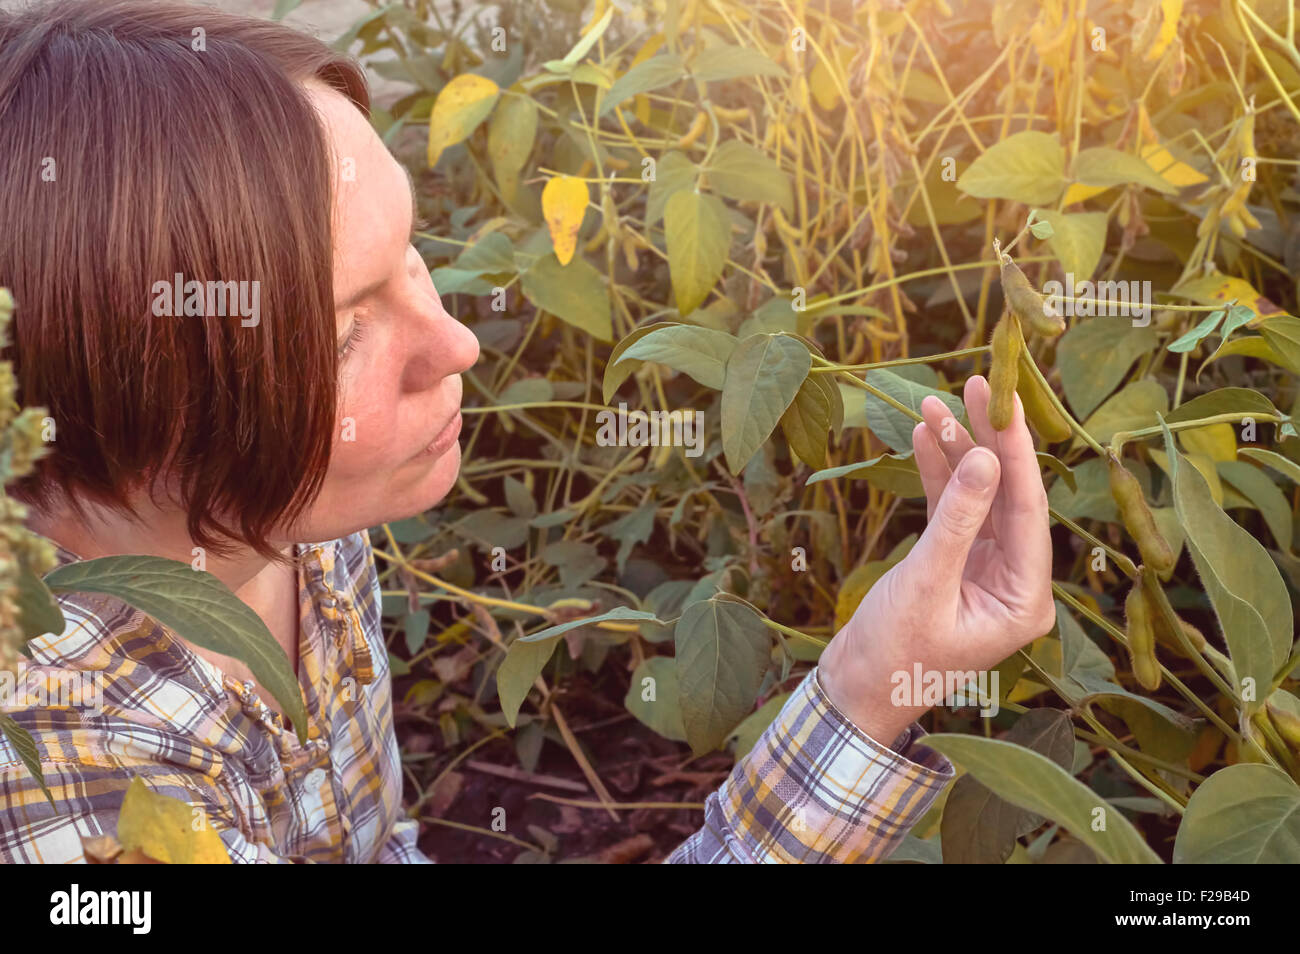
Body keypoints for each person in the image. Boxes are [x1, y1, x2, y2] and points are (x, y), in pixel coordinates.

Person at [0, 0, 1055, 864]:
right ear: (129, 413)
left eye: (410, 256)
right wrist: (867, 696)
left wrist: (878, 675)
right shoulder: (80, 805)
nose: (456, 345)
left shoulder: (279, 511)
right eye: (338, 338)